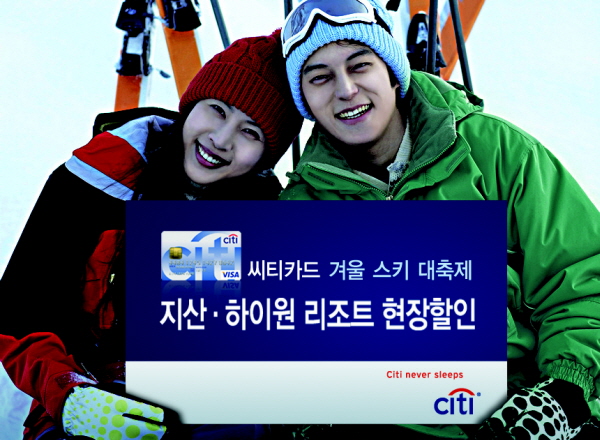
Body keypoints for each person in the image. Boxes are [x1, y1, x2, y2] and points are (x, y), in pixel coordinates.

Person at [278, 0, 600, 438]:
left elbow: (579, 277)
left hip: (518, 406)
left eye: (360, 65)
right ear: (306, 101)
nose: (346, 89)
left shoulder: (494, 152)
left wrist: (565, 391)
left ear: (392, 72)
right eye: (320, 78)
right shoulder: (304, 208)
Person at [0, 29, 302, 440]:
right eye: (217, 110)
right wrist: (70, 394)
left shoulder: (259, 217)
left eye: (250, 132)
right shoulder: (97, 180)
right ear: (191, 105)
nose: (221, 139)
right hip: (83, 396)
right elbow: (20, 312)